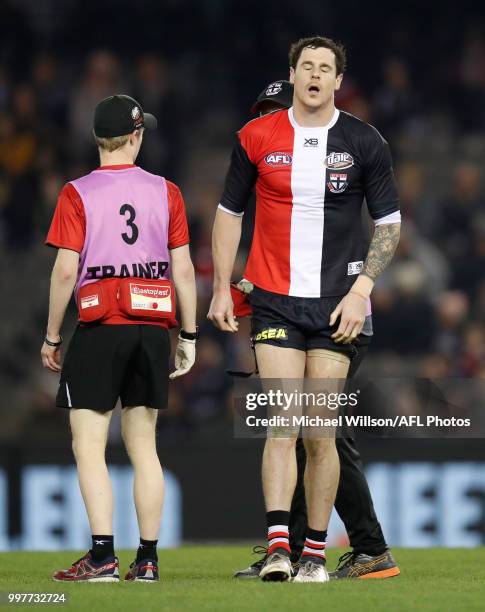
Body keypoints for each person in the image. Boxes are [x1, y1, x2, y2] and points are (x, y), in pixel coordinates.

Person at [208, 36, 401, 583]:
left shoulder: (365, 141)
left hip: (340, 306)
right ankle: (278, 551)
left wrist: (362, 291)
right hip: (275, 304)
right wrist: (222, 287)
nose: (316, 74)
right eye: (307, 66)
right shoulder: (255, 137)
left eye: (326, 68)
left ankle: (314, 555)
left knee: (320, 433)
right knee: (283, 426)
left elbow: (388, 224)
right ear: (292, 74)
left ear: (339, 80)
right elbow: (228, 213)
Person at [41, 94, 198, 582]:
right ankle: (148, 560)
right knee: (143, 445)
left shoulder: (76, 192)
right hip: (151, 327)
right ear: (136, 136)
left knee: (89, 445)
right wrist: (188, 333)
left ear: (95, 139)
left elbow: (66, 269)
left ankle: (103, 556)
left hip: (101, 324)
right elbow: (185, 270)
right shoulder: (166, 190)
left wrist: (51, 336)